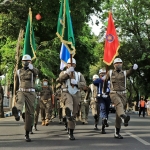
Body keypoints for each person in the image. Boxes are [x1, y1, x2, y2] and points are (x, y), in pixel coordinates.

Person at [104, 58, 138, 139]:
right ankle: (124, 116)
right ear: (114, 64)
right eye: (117, 63)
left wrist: (133, 68)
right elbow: (105, 81)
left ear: (122, 64)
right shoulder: (110, 72)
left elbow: (131, 71)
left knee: (118, 114)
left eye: (120, 63)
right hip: (114, 93)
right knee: (119, 104)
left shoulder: (125, 72)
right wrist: (105, 92)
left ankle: (117, 132)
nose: (118, 64)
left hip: (123, 94)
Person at [58, 58, 86, 140]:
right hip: (66, 92)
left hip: (76, 93)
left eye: (72, 64)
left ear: (75, 65)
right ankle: (68, 111)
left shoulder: (79, 74)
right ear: (67, 65)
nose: (71, 65)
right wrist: (67, 74)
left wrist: (76, 83)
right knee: (69, 103)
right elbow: (60, 79)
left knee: (73, 114)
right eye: (69, 64)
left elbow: (84, 84)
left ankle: (71, 131)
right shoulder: (63, 72)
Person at [12, 54, 38, 142]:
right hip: (21, 91)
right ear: (22, 62)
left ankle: (27, 133)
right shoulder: (18, 71)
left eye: (27, 61)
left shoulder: (33, 70)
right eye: (24, 61)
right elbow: (16, 83)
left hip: (31, 92)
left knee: (29, 113)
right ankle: (17, 113)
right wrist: (15, 94)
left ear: (30, 61)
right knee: (19, 102)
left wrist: (31, 67)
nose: (26, 62)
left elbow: (37, 73)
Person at [93, 69, 109, 134]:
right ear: (99, 74)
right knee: (103, 109)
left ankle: (103, 126)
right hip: (100, 97)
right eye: (101, 73)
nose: (103, 74)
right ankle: (104, 119)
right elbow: (94, 82)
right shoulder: (98, 80)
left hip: (108, 96)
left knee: (107, 111)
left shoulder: (109, 80)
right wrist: (103, 79)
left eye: (104, 73)